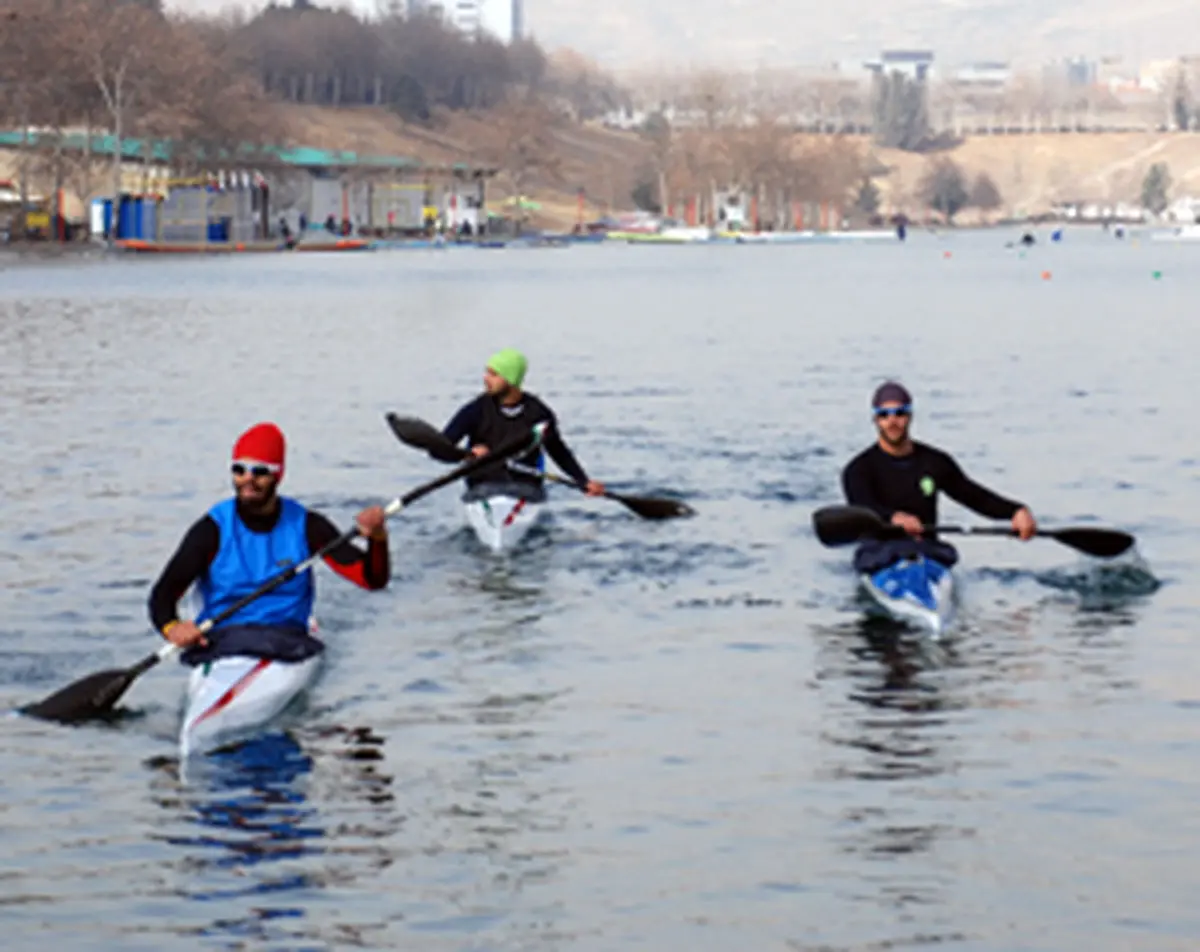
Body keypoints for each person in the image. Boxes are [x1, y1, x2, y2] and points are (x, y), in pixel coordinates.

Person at [148, 422, 390, 666]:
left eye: (259, 471)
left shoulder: (307, 525)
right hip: (223, 642)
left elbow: (372, 580)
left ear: (277, 475)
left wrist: (377, 538)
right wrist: (173, 629)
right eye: (239, 470)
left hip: (287, 641)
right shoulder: (212, 529)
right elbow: (163, 595)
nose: (247, 479)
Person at [841, 381, 1036, 573]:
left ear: (910, 416)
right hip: (879, 553)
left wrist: (1015, 511)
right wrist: (893, 518)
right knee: (890, 549)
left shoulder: (934, 462)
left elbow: (973, 496)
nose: (892, 421)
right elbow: (862, 505)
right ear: (875, 420)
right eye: (884, 415)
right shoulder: (858, 470)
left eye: (899, 413)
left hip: (925, 550)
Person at [442, 348, 604, 497]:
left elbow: (558, 451)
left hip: (525, 487)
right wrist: (466, 455)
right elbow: (440, 449)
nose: (485, 378)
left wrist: (583, 481)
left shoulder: (539, 414)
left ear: (511, 379)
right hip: (483, 487)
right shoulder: (475, 410)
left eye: (493, 374)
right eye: (487, 373)